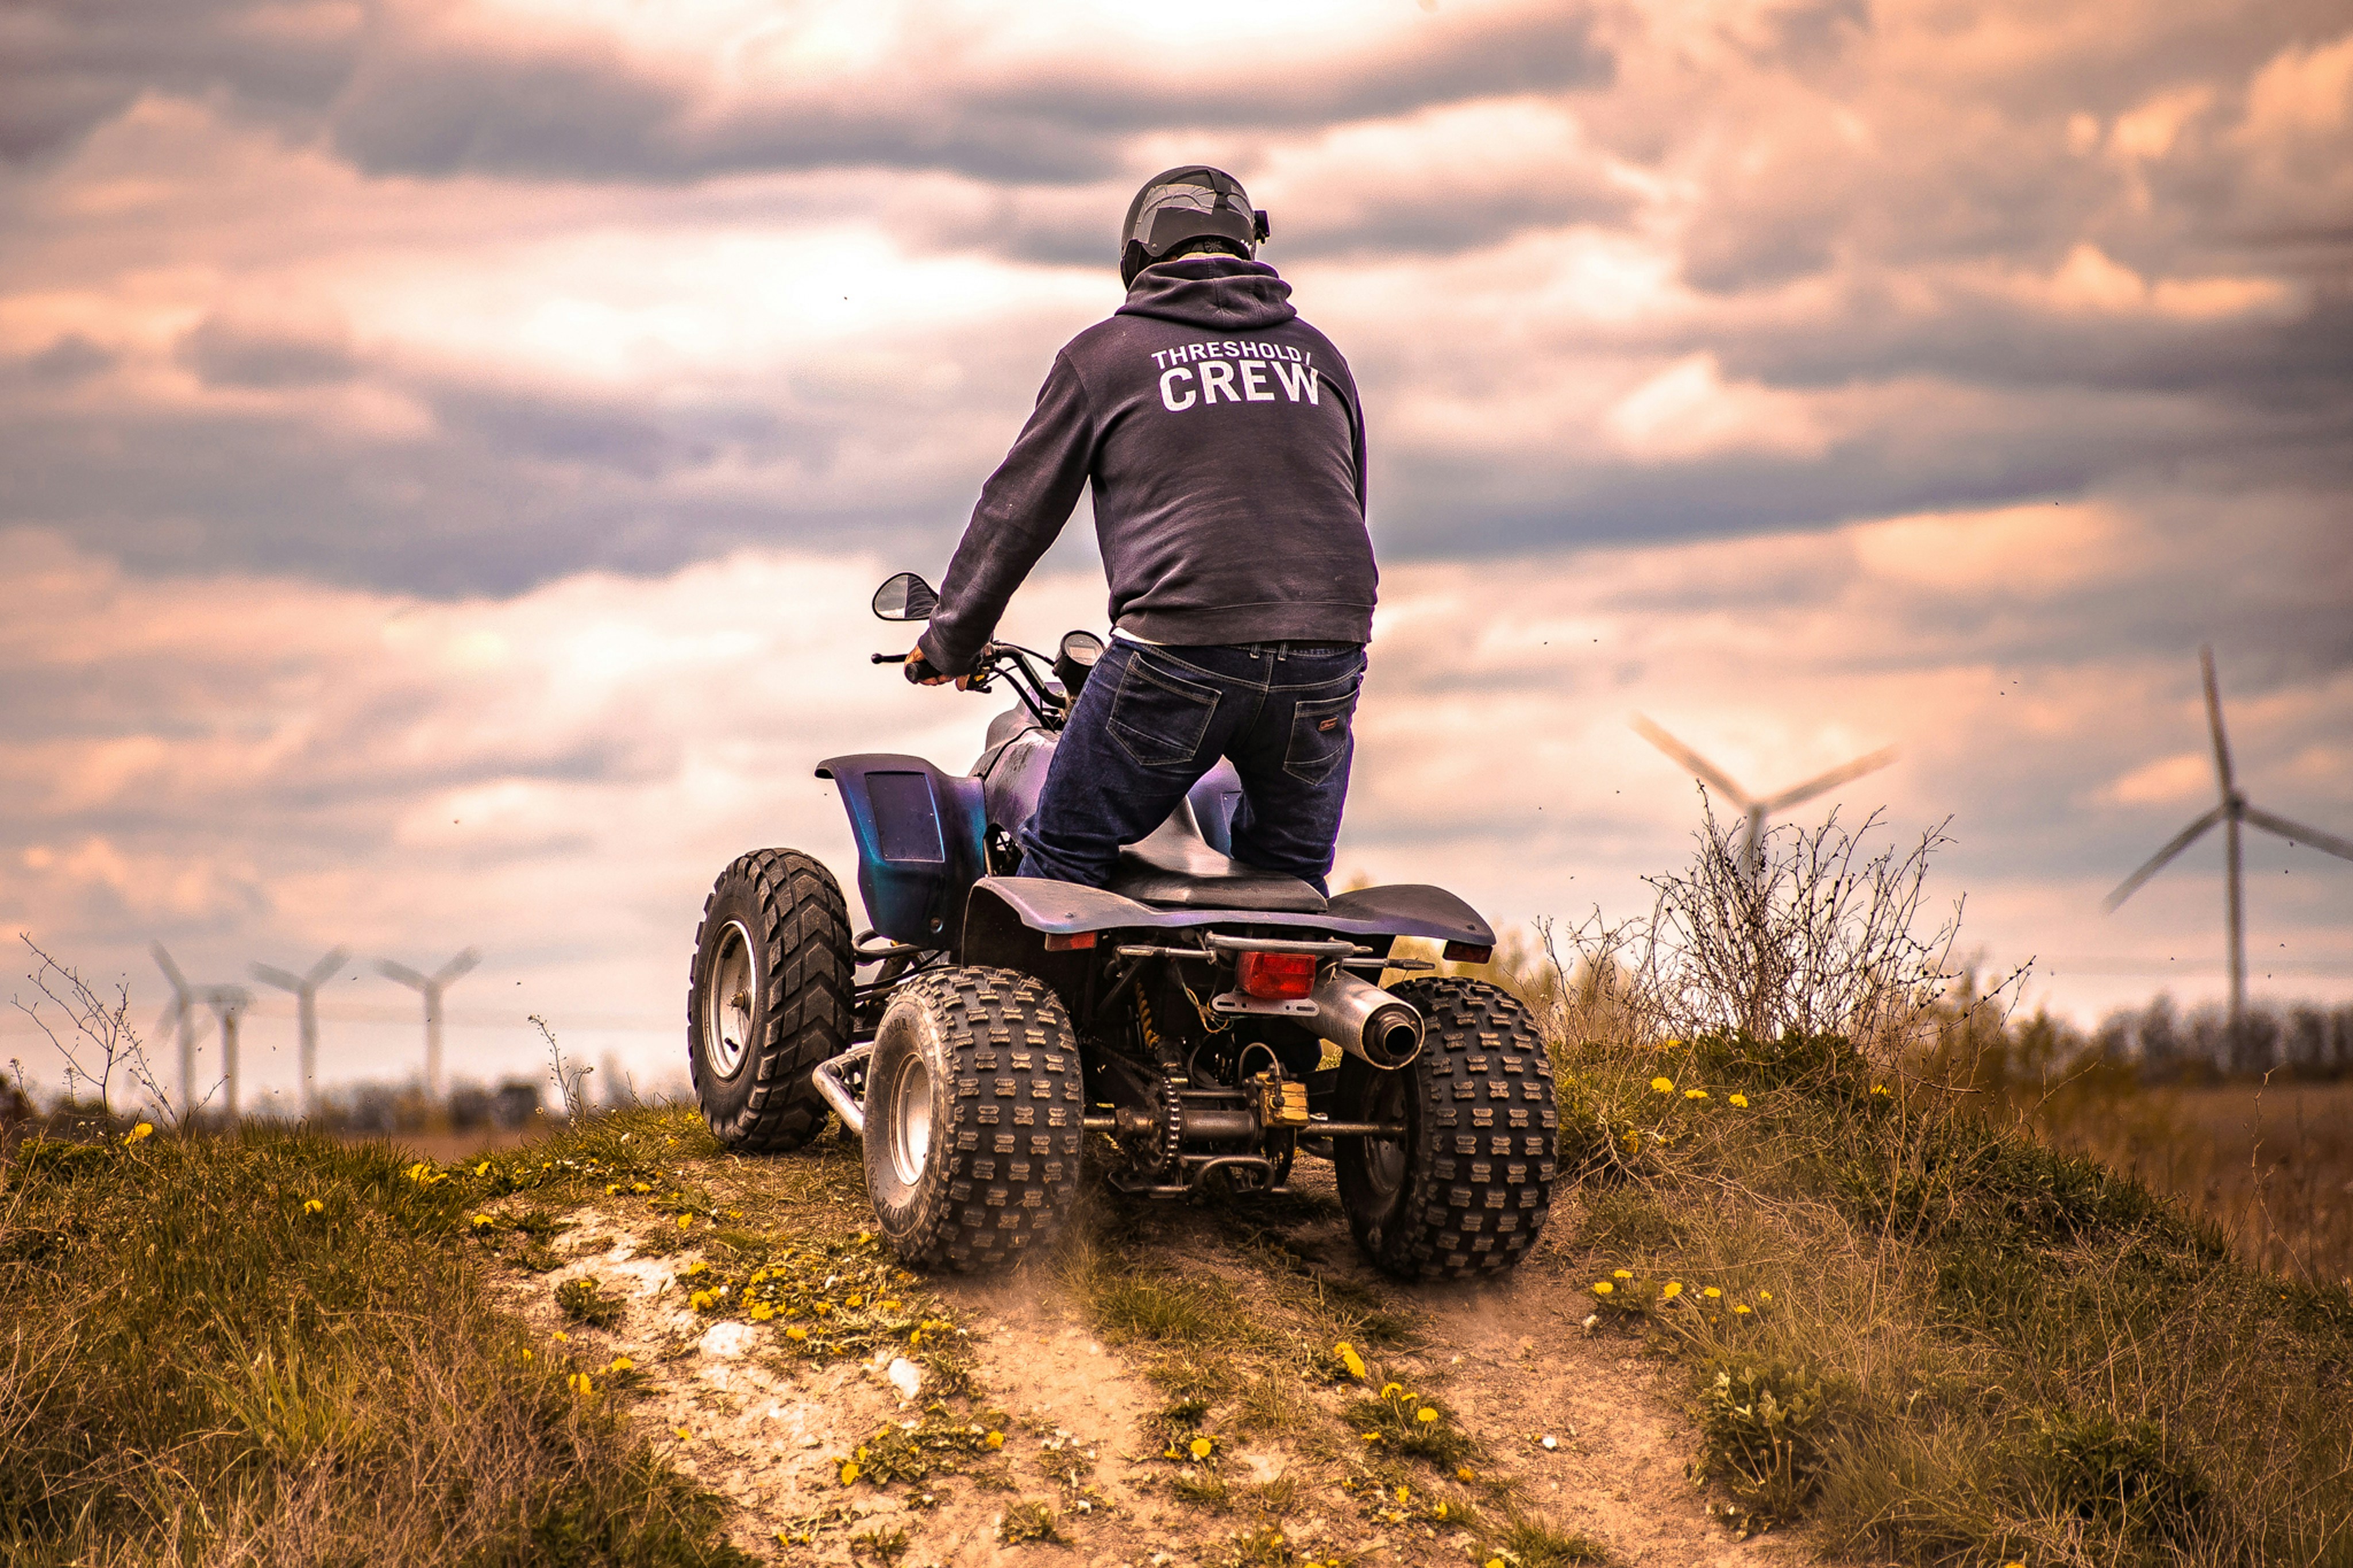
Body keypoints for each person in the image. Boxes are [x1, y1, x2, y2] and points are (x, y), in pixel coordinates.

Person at [906, 166, 1375, 895]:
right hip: (1327, 646)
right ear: (1250, 248)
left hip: (1179, 649)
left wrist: (948, 643)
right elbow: (1346, 503)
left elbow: (1015, 513)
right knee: (1285, 887)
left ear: (1135, 261)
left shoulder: (1106, 356)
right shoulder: (1319, 357)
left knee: (1062, 858)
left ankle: (1022, 1013)